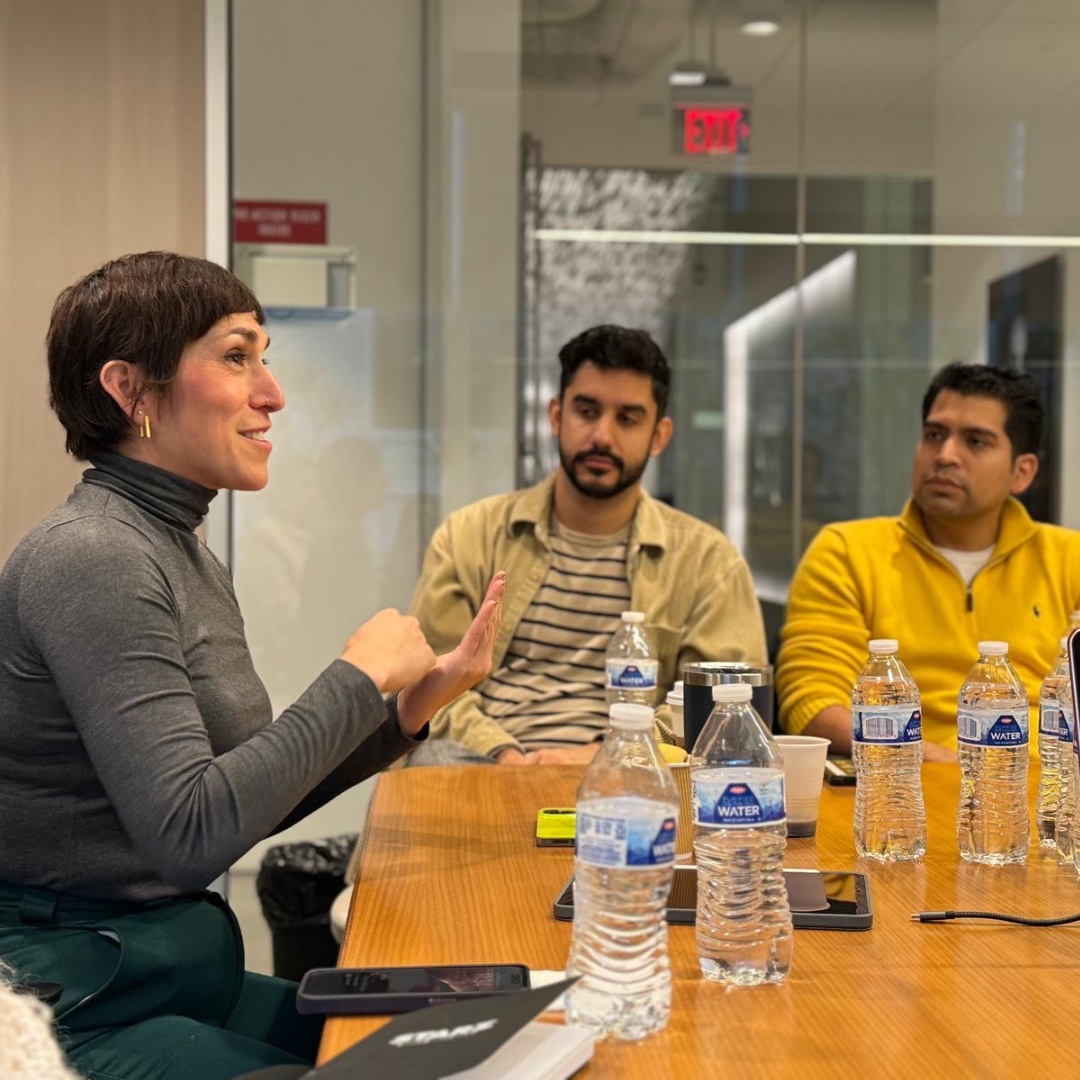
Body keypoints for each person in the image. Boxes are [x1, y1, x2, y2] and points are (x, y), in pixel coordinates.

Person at [0, 252, 505, 1080]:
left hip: (171, 973)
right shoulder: (92, 557)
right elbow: (191, 834)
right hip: (79, 1002)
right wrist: (353, 679)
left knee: (453, 1048)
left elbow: (239, 803)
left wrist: (404, 713)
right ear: (130, 390)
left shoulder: (177, 550)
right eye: (237, 358)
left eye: (262, 358)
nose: (272, 393)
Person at [409, 324, 766, 766]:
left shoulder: (710, 563)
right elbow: (429, 687)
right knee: (433, 760)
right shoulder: (469, 536)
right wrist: (507, 757)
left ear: (659, 436)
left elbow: (722, 708)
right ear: (557, 416)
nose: (602, 436)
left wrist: (609, 755)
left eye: (628, 418)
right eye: (587, 411)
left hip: (639, 771)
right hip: (485, 762)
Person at [777, 361, 1080, 760]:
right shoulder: (847, 550)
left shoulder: (1068, 558)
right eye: (934, 435)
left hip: (1041, 794)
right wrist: (941, 761)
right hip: (899, 791)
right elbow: (813, 702)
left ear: (1021, 473)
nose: (945, 455)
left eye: (975, 441)